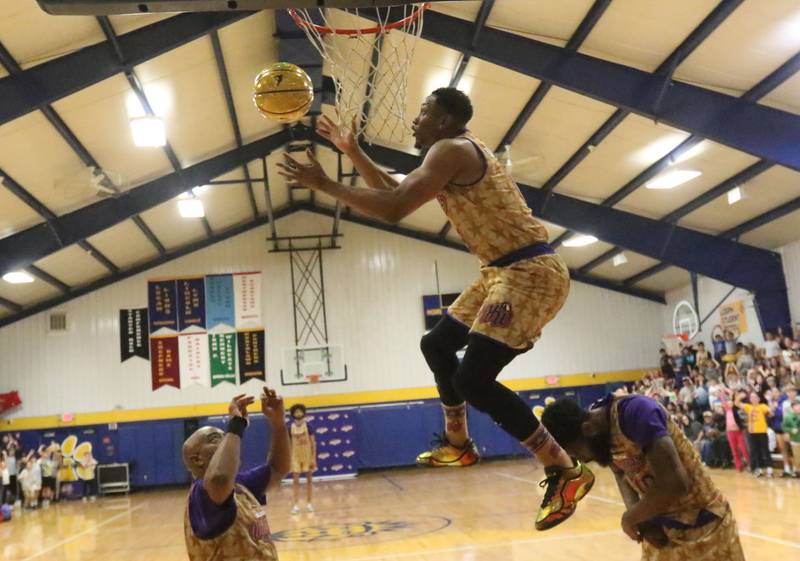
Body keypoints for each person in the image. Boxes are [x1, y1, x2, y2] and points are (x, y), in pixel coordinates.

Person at [278, 87, 593, 530]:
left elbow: (393, 209)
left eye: (424, 112)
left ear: (445, 121)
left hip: (529, 272)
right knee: (437, 344)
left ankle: (562, 468)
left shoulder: (450, 149)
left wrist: (325, 185)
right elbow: (394, 193)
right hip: (498, 272)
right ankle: (459, 442)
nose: (415, 120)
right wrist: (351, 151)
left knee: (473, 378)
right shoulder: (448, 152)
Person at [542, 395, 745, 561]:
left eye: (576, 454)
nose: (583, 460)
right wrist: (641, 519)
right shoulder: (600, 431)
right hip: (662, 533)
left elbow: (674, 482)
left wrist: (630, 518)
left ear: (587, 429)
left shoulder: (636, 412)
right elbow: (619, 470)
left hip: (707, 527)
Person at [182, 388, 289, 561]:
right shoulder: (202, 493)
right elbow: (219, 478)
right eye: (216, 439)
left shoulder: (240, 485)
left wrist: (278, 424)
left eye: (226, 436)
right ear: (197, 460)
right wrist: (236, 425)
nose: (226, 441)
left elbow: (278, 467)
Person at [287, 404, 317, 515]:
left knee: (309, 479)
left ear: (303, 413)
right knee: (295, 481)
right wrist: (289, 459)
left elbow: (313, 443)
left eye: (300, 411)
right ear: (293, 414)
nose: (298, 414)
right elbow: (288, 444)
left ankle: (309, 503)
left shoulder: (308, 426)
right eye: (296, 412)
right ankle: (296, 505)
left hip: (307, 455)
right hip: (295, 455)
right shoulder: (290, 427)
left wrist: (314, 458)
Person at [736, 391, 774, 477]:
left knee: (765, 450)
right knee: (754, 451)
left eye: (755, 397)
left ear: (758, 399)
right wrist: (739, 396)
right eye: (751, 397)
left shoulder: (762, 406)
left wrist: (770, 400)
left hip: (762, 431)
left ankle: (769, 468)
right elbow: (737, 403)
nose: (753, 398)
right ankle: (758, 468)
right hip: (752, 432)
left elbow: (770, 412)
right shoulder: (748, 407)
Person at [720, 389, 749, 472]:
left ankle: (750, 464)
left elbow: (734, 398)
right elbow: (723, 400)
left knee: (744, 448)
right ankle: (738, 466)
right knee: (734, 450)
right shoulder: (727, 410)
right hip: (730, 432)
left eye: (730, 402)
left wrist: (729, 392)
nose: (729, 403)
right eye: (728, 403)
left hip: (738, 432)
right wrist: (722, 393)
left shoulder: (736, 409)